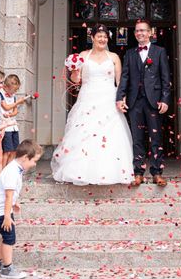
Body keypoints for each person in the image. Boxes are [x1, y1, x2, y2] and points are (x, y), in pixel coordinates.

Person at [52, 24, 134, 185]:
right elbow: (77, 81)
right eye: (99, 36)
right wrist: (75, 70)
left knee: (110, 134)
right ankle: (80, 171)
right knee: (84, 132)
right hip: (88, 99)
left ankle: (109, 171)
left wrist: (121, 98)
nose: (102, 39)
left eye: (105, 36)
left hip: (108, 100)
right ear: (93, 38)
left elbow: (119, 82)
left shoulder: (114, 57)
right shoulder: (84, 55)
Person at [116, 20, 172, 187]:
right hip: (134, 102)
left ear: (150, 33)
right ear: (134, 34)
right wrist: (120, 97)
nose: (140, 33)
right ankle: (138, 173)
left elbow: (165, 78)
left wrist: (165, 99)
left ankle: (157, 173)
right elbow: (124, 77)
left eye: (143, 31)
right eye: (137, 31)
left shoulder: (159, 52)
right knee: (137, 138)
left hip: (154, 101)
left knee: (156, 138)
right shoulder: (129, 54)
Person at [0, 139, 43, 279]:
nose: (34, 164)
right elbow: (8, 195)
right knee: (9, 238)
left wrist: (14, 204)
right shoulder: (12, 171)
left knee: (5, 236)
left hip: (0, 208)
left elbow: (10, 195)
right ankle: (7, 269)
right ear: (24, 157)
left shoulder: (16, 168)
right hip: (0, 211)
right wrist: (7, 216)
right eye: (34, 160)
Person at [0, 74, 24, 167]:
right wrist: (17, 102)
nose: (15, 92)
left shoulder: (13, 96)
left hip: (13, 126)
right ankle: (2, 172)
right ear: (5, 87)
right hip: (5, 127)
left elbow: (15, 111)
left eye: (16, 90)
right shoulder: (1, 94)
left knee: (14, 150)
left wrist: (10, 114)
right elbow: (6, 107)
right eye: (13, 90)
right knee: (7, 151)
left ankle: (8, 170)